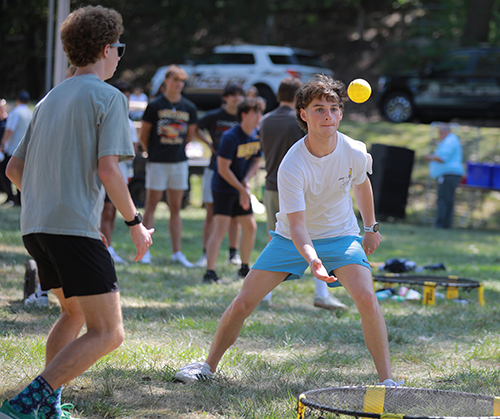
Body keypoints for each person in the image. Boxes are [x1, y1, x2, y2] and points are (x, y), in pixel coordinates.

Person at [175, 75, 401, 387]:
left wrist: (370, 227)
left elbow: (361, 183)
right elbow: (297, 226)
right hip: (291, 240)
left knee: (366, 297)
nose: (327, 115)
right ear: (303, 115)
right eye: (319, 109)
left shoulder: (354, 150)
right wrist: (313, 261)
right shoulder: (292, 164)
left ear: (341, 114)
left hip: (341, 235)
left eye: (334, 109)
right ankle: (206, 367)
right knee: (243, 302)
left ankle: (387, 382)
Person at [1, 6, 153, 419]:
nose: (120, 55)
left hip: (36, 227)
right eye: (119, 48)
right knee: (109, 332)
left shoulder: (49, 98)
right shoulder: (109, 97)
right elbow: (109, 170)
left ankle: (46, 407)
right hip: (68, 228)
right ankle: (25, 403)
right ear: (107, 49)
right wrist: (135, 224)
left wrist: (57, 206)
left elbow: (14, 169)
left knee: (73, 313)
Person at [259, 76, 347, 311]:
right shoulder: (299, 121)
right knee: (315, 237)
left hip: (270, 186)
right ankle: (322, 293)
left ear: (278, 96)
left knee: (276, 238)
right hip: (303, 188)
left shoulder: (265, 120)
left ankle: (264, 294)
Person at [202, 97, 265, 284]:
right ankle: (210, 272)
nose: (259, 117)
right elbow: (223, 169)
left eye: (260, 113)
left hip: (240, 188)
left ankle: (244, 268)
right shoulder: (231, 137)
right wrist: (241, 188)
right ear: (244, 115)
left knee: (250, 226)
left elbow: (256, 160)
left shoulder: (256, 135)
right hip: (223, 188)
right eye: (256, 113)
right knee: (220, 227)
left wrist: (245, 182)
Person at [139, 65, 197, 266]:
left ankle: (177, 253)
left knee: (176, 208)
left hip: (178, 163)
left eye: (181, 81)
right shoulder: (155, 106)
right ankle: (144, 251)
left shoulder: (189, 107)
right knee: (151, 205)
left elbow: (189, 135)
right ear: (166, 82)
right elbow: (143, 134)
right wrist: (152, 153)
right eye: (175, 80)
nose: (178, 85)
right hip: (157, 162)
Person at [194, 83, 246, 268]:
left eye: (239, 95)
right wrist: (208, 143)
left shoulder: (243, 118)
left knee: (236, 216)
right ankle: (205, 254)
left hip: (237, 172)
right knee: (211, 214)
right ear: (225, 97)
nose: (236, 98)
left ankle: (233, 253)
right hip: (214, 170)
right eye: (232, 95)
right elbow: (194, 127)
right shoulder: (215, 116)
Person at [100, 81, 140, 264]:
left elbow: (133, 151)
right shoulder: (104, 118)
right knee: (102, 211)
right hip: (104, 173)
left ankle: (109, 247)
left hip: (120, 175)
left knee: (111, 212)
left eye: (127, 96)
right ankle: (101, 247)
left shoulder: (130, 124)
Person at [425, 123, 464, 229]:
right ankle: (445, 224)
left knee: (444, 200)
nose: (439, 135)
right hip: (449, 174)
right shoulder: (449, 140)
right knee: (447, 200)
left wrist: (430, 157)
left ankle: (441, 224)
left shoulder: (450, 140)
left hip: (449, 175)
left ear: (444, 131)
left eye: (440, 132)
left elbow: (442, 158)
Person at [0, 90, 32, 206]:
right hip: (27, 149)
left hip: (14, 149)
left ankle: (11, 196)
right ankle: (20, 198)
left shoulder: (15, 113)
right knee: (23, 174)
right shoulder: (30, 113)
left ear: (18, 100)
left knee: (6, 171)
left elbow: (10, 130)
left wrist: (3, 144)